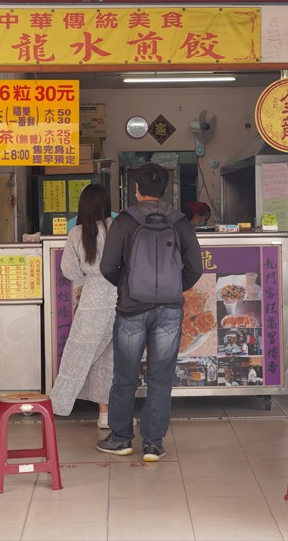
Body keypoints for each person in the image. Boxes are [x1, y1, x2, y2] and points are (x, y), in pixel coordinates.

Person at [96, 162, 203, 461]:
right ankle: (153, 444)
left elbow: (107, 266)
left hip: (131, 309)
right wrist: (172, 288)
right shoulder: (180, 221)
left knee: (125, 377)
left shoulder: (125, 221)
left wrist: (128, 286)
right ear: (166, 189)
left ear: (136, 189)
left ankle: (121, 438)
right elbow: (195, 268)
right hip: (169, 311)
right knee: (160, 378)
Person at [50, 184, 119, 429]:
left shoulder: (77, 233)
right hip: (120, 299)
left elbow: (69, 271)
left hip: (93, 300)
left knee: (76, 357)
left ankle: (57, 406)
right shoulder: (118, 228)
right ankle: (106, 416)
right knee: (108, 361)